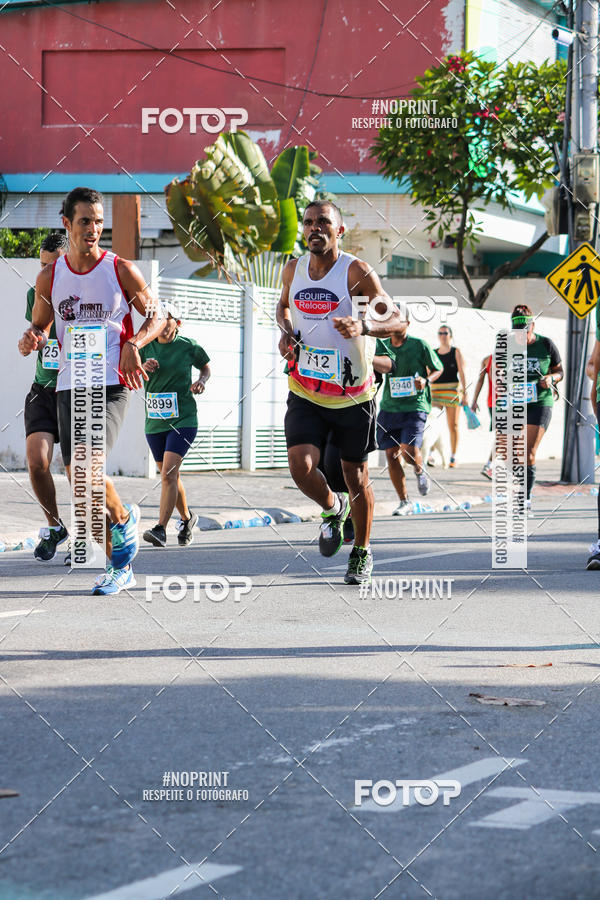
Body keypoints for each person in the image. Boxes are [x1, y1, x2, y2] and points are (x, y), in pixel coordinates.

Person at [18, 186, 164, 595]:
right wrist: (32, 338)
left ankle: (122, 533)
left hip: (113, 383)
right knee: (80, 485)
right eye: (85, 221)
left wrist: (134, 344)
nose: (94, 229)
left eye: (100, 222)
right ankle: (121, 555)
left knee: (86, 468)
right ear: (67, 223)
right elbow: (41, 326)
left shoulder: (120, 269)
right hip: (69, 383)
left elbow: (155, 314)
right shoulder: (51, 275)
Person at [276, 199, 402, 585]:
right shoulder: (293, 269)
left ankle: (361, 552)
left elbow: (395, 319)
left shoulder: (355, 272)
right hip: (306, 388)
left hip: (353, 395)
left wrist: (363, 327)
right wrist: (286, 334)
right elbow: (283, 307)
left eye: (323, 223)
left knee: (355, 473)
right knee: (300, 466)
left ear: (339, 231)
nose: (315, 228)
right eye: (309, 222)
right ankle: (333, 509)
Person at [140, 304, 210, 547]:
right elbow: (128, 369)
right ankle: (188, 518)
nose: (159, 322)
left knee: (168, 472)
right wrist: (142, 367)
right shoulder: (144, 345)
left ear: (176, 322)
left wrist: (201, 381)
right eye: (156, 318)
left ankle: (160, 529)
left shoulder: (188, 346)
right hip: (155, 421)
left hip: (184, 419)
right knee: (171, 475)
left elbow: (206, 366)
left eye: (165, 318)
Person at [18, 233, 69, 561]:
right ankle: (54, 527)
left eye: (52, 267)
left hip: (77, 388)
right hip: (43, 389)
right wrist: (29, 341)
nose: (45, 273)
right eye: (41, 266)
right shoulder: (35, 291)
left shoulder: (83, 291)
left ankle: (91, 536)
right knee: (37, 462)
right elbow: (39, 329)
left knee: (79, 470)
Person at [373, 313, 443, 515]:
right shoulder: (382, 345)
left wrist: (426, 380)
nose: (394, 324)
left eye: (399, 321)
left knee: (408, 451)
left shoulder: (419, 345)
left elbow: (437, 368)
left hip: (415, 405)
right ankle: (404, 501)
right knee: (391, 456)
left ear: (407, 324)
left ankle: (420, 469)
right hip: (389, 406)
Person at [510, 305, 563, 514]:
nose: (521, 336)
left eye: (526, 332)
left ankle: (525, 498)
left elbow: (560, 371)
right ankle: (523, 486)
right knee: (514, 454)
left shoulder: (546, 344)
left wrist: (551, 378)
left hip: (540, 402)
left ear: (533, 326)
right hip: (516, 402)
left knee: (527, 450)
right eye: (517, 332)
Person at [430, 325, 467, 467]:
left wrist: (465, 393)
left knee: (454, 425)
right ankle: (431, 454)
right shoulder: (433, 352)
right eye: (440, 333)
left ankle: (453, 456)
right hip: (435, 391)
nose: (443, 335)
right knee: (433, 423)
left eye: (445, 333)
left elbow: (462, 373)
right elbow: (429, 372)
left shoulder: (455, 351)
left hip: (452, 391)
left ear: (450, 335)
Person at [470, 353, 494, 479]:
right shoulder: (488, 360)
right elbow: (480, 380)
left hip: (493, 403)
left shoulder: (487, 360)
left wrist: (474, 400)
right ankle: (489, 466)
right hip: (501, 403)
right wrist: (474, 400)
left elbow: (480, 380)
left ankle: (491, 465)